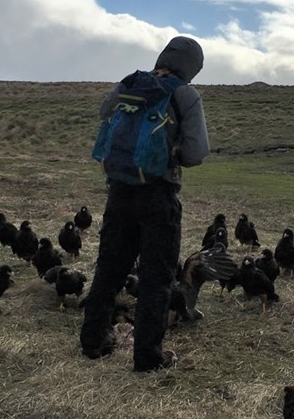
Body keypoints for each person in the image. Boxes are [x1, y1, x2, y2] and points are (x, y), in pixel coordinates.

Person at [80, 36, 209, 372]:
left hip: (119, 191)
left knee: (108, 269)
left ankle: (93, 341)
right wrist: (170, 155)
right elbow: (196, 153)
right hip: (158, 194)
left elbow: (103, 112)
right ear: (192, 67)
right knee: (156, 277)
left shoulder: (131, 82)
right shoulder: (185, 93)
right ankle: (148, 357)